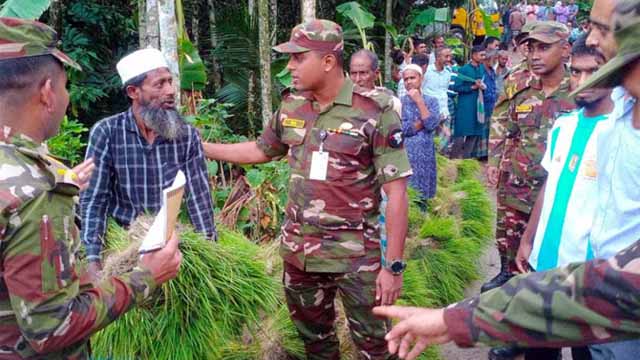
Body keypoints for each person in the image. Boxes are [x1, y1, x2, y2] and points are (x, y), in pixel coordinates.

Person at [203, 19, 412, 359]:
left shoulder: (375, 112)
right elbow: (260, 150)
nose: (290, 67)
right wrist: (204, 147)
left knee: (375, 348)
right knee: (316, 345)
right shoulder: (292, 106)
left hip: (355, 259)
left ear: (328, 61)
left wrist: (393, 267)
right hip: (300, 255)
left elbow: (398, 192)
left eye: (299, 58)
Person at [0, 17, 182, 359]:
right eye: (67, 86)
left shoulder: (31, 173)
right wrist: (145, 277)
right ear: (47, 92)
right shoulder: (37, 189)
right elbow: (50, 327)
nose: (170, 91)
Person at [511, 33, 612, 360]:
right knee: (538, 351)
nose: (583, 81)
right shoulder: (564, 126)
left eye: (593, 71)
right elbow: (551, 184)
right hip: (545, 264)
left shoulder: (621, 133)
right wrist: (528, 237)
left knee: (586, 353)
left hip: (589, 275)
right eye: (576, 71)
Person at [80, 49, 216, 279]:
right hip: (125, 241)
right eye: (159, 84)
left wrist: (210, 252)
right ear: (133, 92)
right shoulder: (107, 132)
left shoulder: (186, 136)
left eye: (170, 81)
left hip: (171, 242)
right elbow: (94, 200)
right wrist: (93, 260)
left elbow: (199, 199)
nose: (170, 91)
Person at [400, 64, 440, 202]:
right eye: (406, 79)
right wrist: (421, 122)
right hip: (407, 153)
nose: (409, 81)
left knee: (423, 194)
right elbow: (402, 129)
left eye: (413, 78)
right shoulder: (399, 103)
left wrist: (419, 102)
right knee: (408, 193)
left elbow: (431, 125)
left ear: (421, 79)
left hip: (425, 154)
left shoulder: (432, 101)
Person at [450, 45, 487, 159]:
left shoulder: (482, 68)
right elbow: (456, 87)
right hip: (465, 105)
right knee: (460, 133)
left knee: (475, 133)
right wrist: (472, 87)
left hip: (478, 105)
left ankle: (466, 161)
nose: (483, 57)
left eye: (484, 55)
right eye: (481, 55)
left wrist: (482, 86)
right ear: (474, 55)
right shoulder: (464, 69)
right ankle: (454, 160)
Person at [349, 49, 401, 116]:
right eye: (353, 73)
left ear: (376, 74)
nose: (357, 79)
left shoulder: (391, 103)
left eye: (363, 73)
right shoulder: (341, 102)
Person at [424, 47, 454, 148]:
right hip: (430, 113)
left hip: (444, 112)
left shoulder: (448, 72)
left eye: (450, 56)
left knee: (443, 143)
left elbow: (444, 91)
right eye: (446, 56)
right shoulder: (427, 71)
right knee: (431, 142)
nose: (449, 59)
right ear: (437, 57)